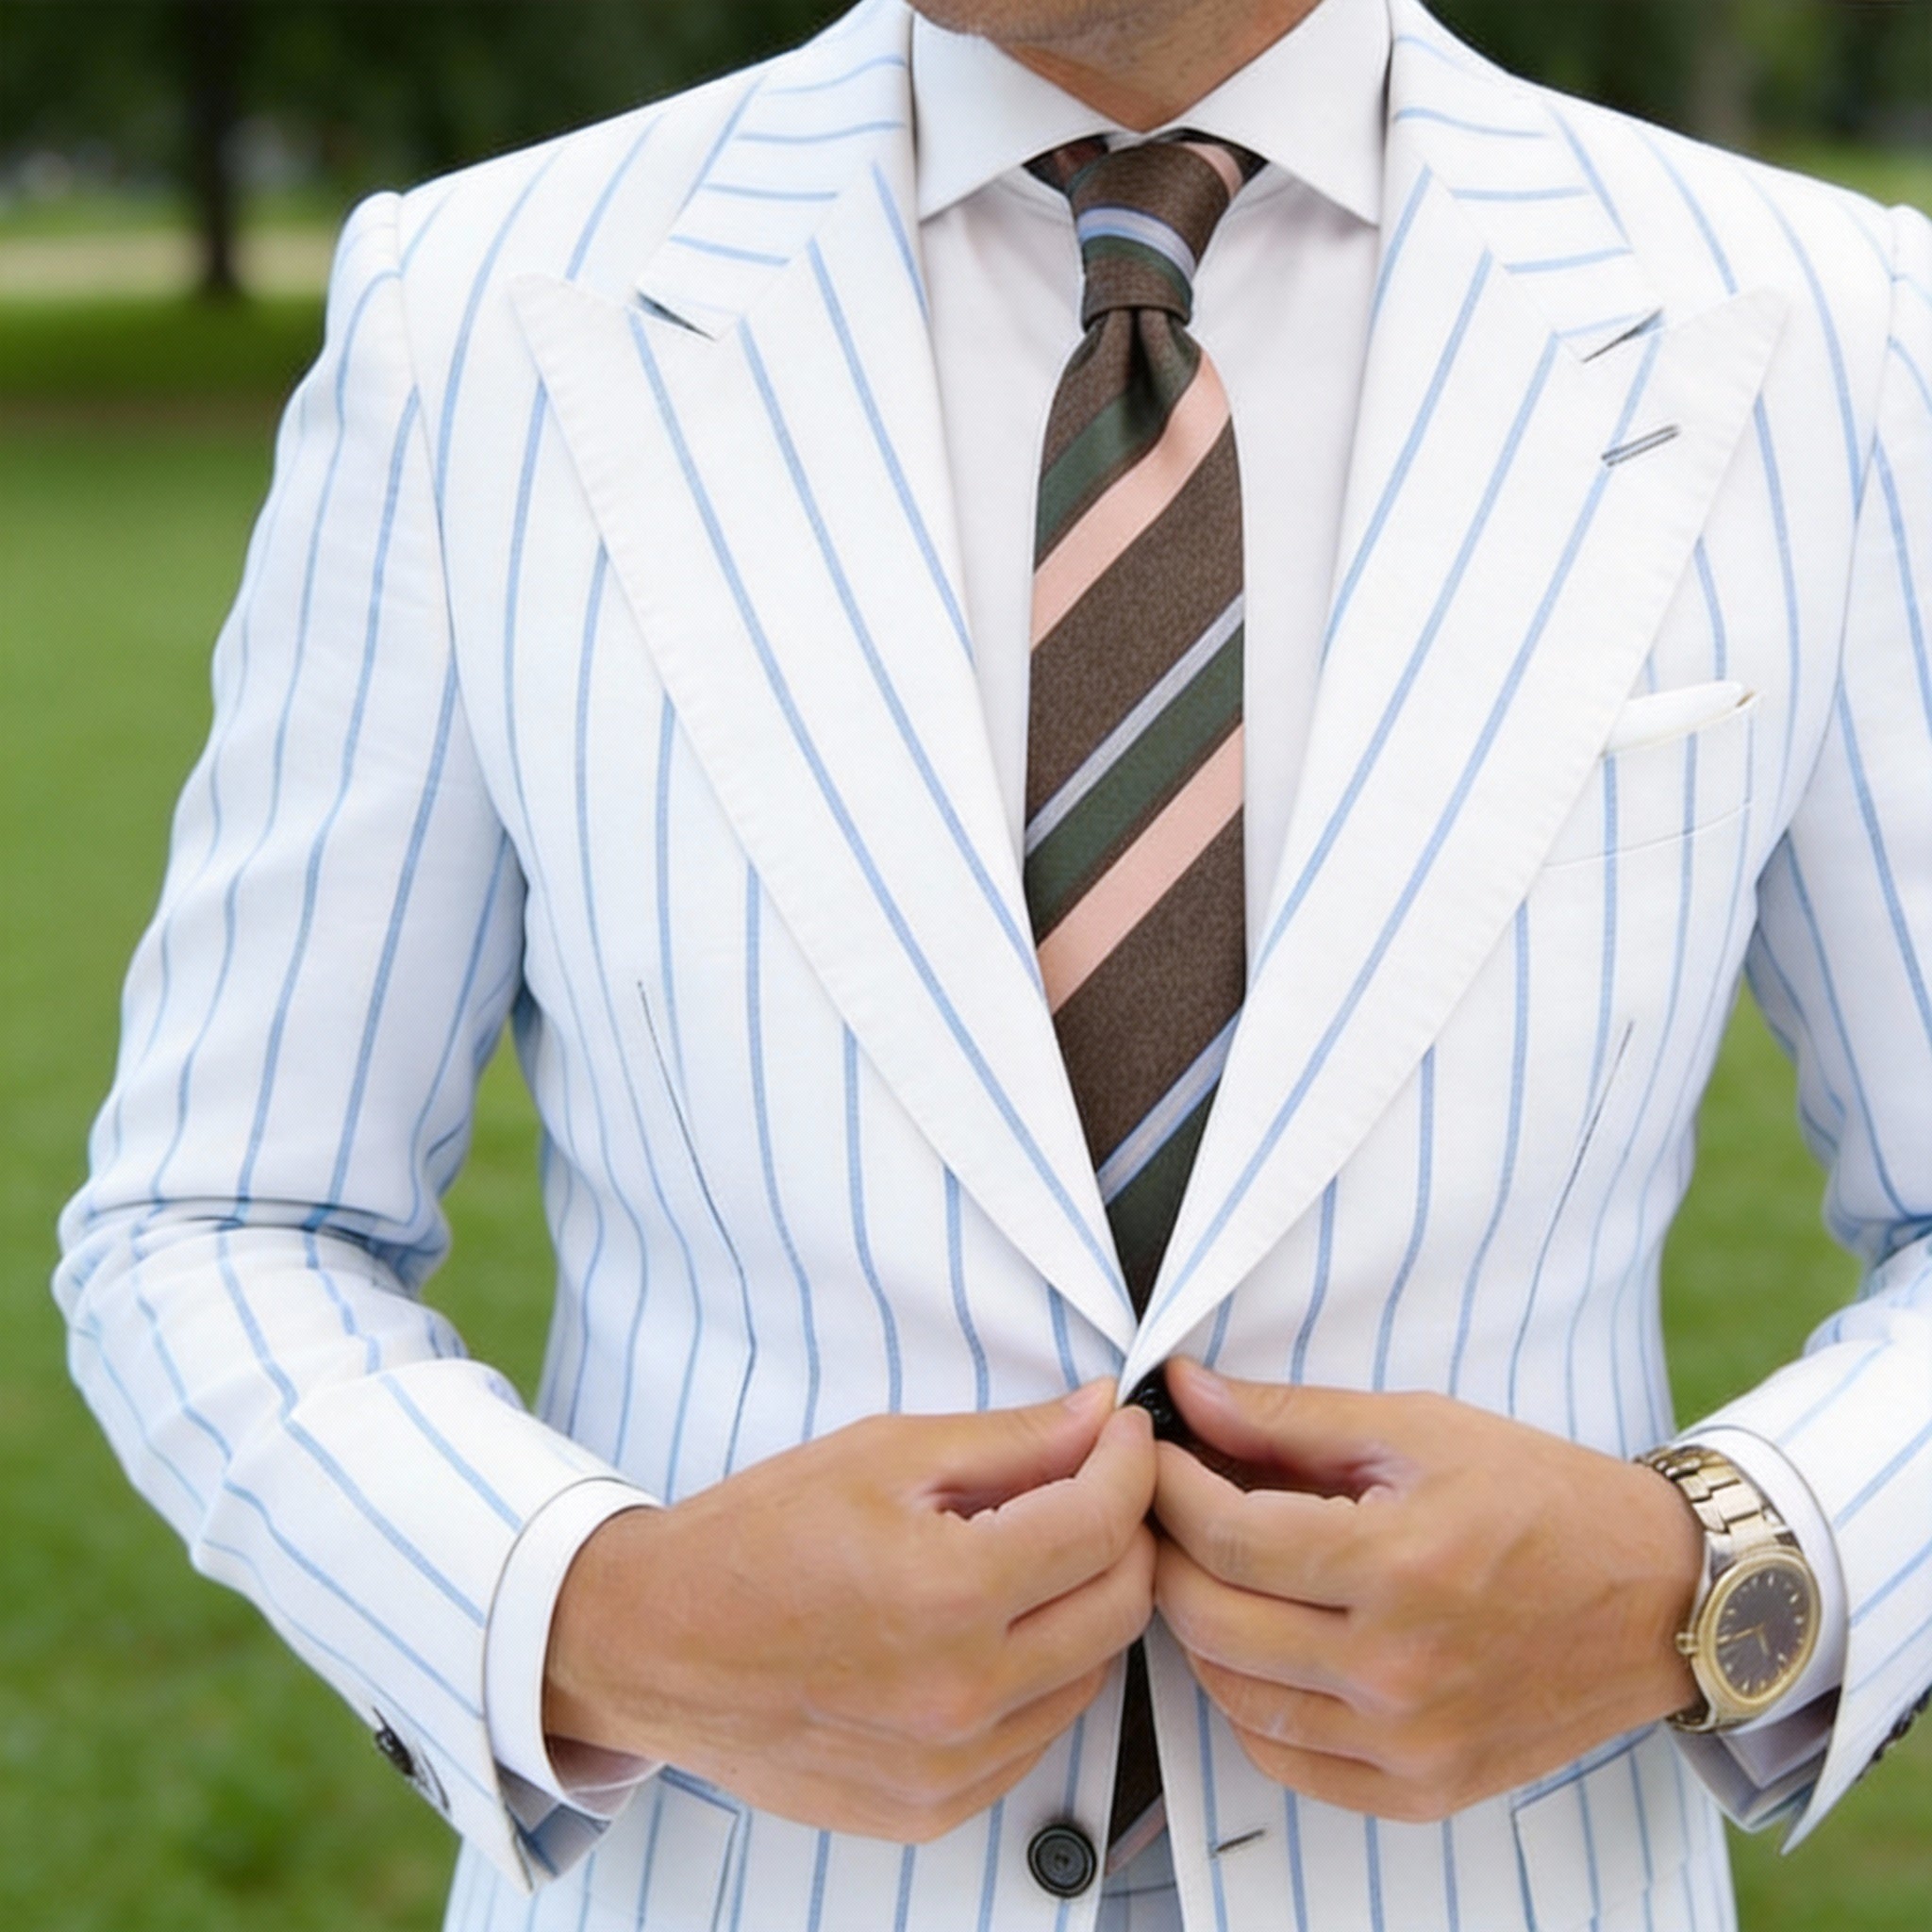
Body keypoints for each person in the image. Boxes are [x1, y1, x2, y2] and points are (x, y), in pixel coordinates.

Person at [54, 0, 1932, 1926]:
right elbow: (218, 1221)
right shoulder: (479, 312)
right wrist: (597, 1617)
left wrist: (1708, 1576)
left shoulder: (1821, 324)